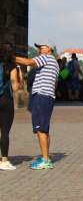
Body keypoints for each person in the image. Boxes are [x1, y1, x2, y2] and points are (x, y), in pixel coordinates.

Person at [15, 42, 60, 170]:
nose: (40, 49)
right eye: (39, 48)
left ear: (50, 49)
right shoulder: (55, 63)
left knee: (40, 129)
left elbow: (29, 62)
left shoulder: (45, 57)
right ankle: (46, 157)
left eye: (42, 47)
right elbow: (55, 83)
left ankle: (45, 160)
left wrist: (11, 58)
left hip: (41, 96)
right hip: (48, 96)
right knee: (45, 129)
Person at [0, 44, 23, 171]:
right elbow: (15, 88)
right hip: (5, 100)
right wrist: (19, 76)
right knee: (4, 131)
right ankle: (4, 160)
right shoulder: (11, 66)